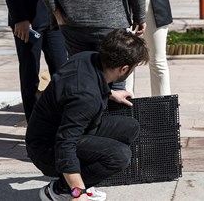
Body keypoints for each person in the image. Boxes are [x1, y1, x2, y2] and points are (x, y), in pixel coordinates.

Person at [26, 29, 149, 201]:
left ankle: (80, 180)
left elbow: (74, 88)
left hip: (61, 130)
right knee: (119, 156)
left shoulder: (88, 57)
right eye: (134, 68)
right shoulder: (85, 98)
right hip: (47, 149)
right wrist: (79, 192)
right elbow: (65, 143)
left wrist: (110, 93)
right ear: (124, 69)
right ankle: (59, 189)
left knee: (130, 127)